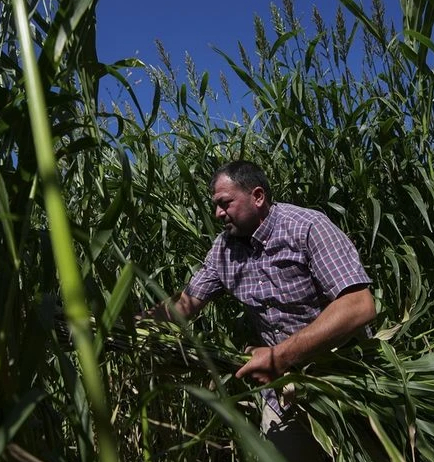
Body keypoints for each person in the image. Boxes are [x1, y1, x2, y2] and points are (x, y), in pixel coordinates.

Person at [144, 160, 376, 461]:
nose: (217, 214)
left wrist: (279, 356)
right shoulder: (224, 249)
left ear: (257, 196)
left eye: (224, 203)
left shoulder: (306, 227)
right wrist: (122, 322)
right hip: (284, 391)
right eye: (215, 206)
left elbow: (359, 305)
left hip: (347, 381)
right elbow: (185, 305)